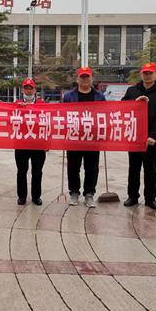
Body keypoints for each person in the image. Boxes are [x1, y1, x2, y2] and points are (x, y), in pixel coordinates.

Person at [122, 62, 156, 211]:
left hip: (151, 140)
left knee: (150, 169)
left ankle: (150, 198)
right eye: (145, 73)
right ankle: (132, 196)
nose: (147, 76)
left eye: (150, 73)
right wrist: (133, 103)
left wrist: (154, 135)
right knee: (133, 168)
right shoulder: (132, 90)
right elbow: (122, 107)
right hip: (134, 137)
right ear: (141, 74)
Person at [62, 66, 106, 208]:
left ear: (92, 78)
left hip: (93, 138)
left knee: (92, 167)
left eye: (87, 77)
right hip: (74, 137)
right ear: (78, 79)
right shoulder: (68, 96)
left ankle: (89, 193)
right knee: (73, 167)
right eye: (82, 77)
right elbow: (61, 114)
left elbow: (106, 115)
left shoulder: (100, 96)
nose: (85, 79)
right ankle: (74, 192)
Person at [14, 78, 46, 205]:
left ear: (35, 90)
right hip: (21, 144)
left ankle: (36, 196)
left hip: (38, 144)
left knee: (37, 172)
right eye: (26, 88)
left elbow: (48, 122)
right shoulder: (17, 104)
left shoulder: (42, 104)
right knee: (21, 171)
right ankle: (22, 196)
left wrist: (47, 142)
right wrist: (18, 110)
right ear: (22, 90)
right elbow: (11, 122)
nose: (28, 90)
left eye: (30, 88)